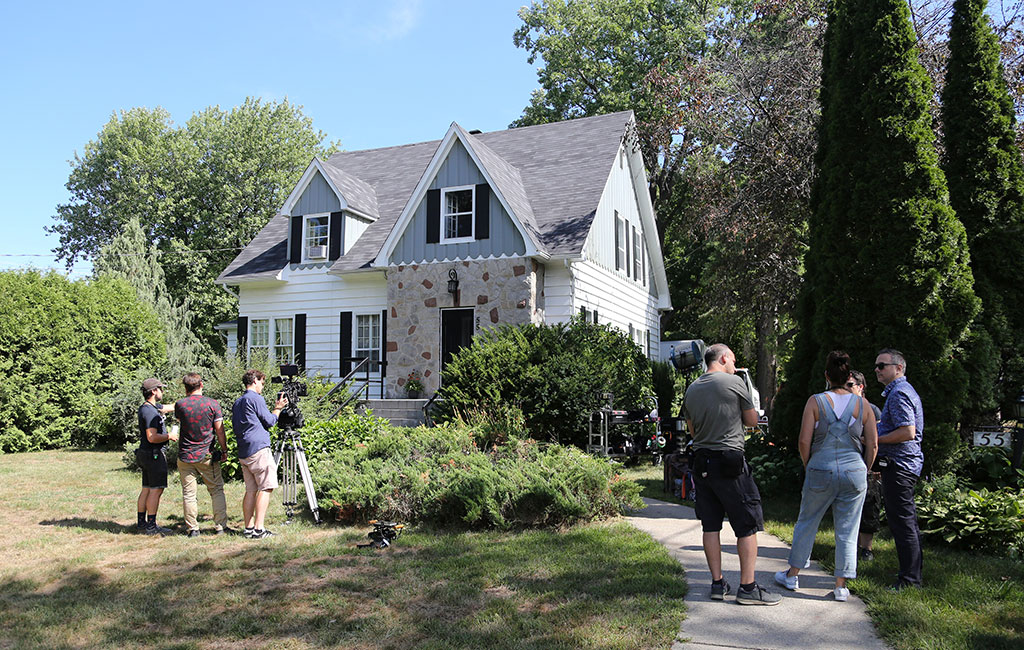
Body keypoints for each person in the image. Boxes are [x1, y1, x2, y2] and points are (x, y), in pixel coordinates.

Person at [774, 351, 877, 602]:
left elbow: (803, 440)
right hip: (854, 471)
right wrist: (864, 468)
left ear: (826, 376)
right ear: (848, 376)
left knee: (807, 521)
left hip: (820, 467)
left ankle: (792, 575)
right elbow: (873, 444)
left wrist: (809, 464)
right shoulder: (862, 405)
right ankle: (841, 585)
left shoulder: (816, 401)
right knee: (848, 528)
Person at [684, 344, 781, 605]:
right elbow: (752, 421)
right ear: (724, 358)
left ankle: (717, 584)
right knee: (747, 524)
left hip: (702, 462)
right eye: (734, 361)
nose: (735, 366)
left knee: (710, 525)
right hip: (729, 462)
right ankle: (748, 588)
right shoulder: (735, 383)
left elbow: (692, 430)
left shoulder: (691, 389)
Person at [874, 348, 924, 589]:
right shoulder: (899, 392)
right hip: (902, 465)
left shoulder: (899, 393)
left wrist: (874, 440)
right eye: (876, 366)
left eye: (882, 366)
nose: (877, 370)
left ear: (898, 368)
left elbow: (907, 432)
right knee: (905, 522)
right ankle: (911, 574)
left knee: (903, 523)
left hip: (900, 466)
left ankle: (909, 580)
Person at [232, 369, 287, 539]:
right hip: (258, 449)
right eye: (262, 382)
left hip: (244, 450)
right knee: (266, 487)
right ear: (255, 380)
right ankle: (259, 529)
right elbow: (269, 421)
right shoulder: (255, 398)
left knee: (250, 490)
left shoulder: (238, 401)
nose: (262, 386)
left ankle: (248, 528)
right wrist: (278, 409)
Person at [175, 372, 230, 537]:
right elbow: (220, 431)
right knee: (216, 490)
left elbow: (181, 424)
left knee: (189, 494)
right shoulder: (212, 404)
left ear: (186, 387)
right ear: (201, 385)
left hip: (185, 455)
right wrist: (224, 450)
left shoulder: (180, 405)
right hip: (206, 455)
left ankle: (193, 529)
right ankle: (220, 526)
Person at [136, 378, 178, 535]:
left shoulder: (149, 407)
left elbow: (169, 407)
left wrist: (188, 400)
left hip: (145, 453)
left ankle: (142, 524)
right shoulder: (150, 412)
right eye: (160, 389)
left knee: (147, 488)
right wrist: (169, 436)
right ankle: (151, 526)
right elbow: (152, 437)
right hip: (153, 454)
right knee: (156, 490)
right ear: (154, 391)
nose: (162, 391)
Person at [849, 370, 884, 561]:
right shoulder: (841, 409)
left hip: (867, 466)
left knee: (869, 506)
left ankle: (867, 549)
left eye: (850, 385)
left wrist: (873, 467)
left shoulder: (872, 410)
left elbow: (876, 442)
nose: (846, 389)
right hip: (847, 465)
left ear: (860, 387)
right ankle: (850, 546)